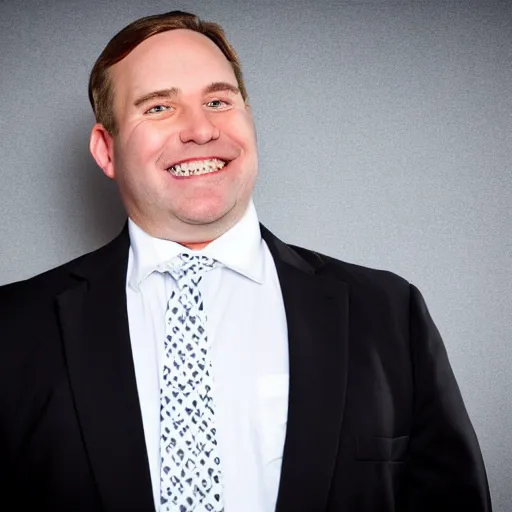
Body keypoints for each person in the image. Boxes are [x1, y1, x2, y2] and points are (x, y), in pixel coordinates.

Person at [0, 10, 492, 512]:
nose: (199, 129)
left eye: (217, 100)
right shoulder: (13, 327)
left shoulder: (388, 312)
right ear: (106, 150)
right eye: (158, 108)